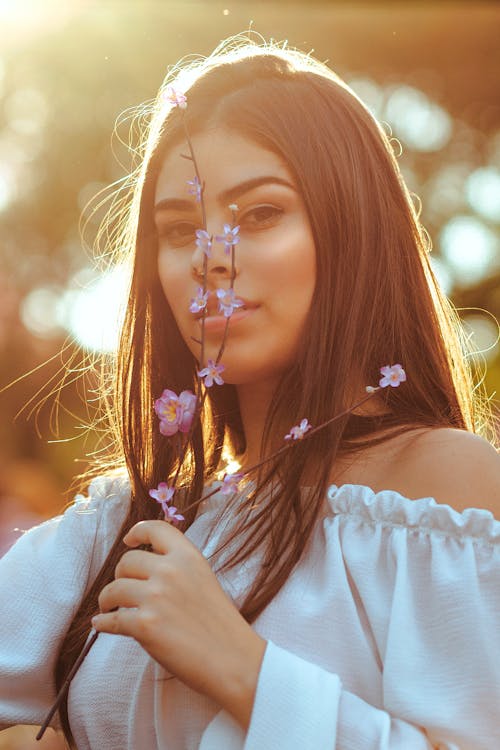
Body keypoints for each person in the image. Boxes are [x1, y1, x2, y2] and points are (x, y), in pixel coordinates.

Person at [0, 31, 499, 750]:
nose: (211, 261)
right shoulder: (119, 526)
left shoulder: (444, 497)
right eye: (178, 231)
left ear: (350, 228)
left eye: (260, 215)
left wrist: (243, 668)